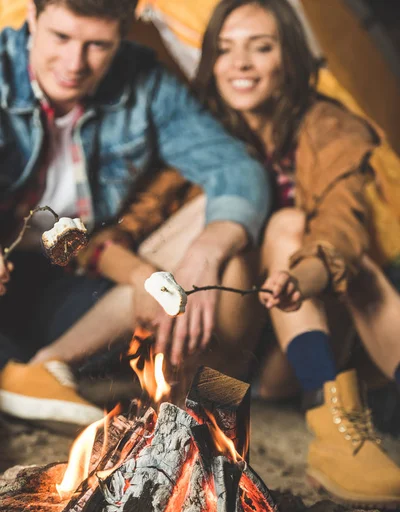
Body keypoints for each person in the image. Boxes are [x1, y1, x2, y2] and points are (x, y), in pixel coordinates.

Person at [0, 0, 271, 430]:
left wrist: (206, 250)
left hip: (83, 284)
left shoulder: (145, 81)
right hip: (11, 281)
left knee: (231, 243)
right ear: (31, 18)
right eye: (61, 37)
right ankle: (198, 411)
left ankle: (201, 420)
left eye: (97, 45)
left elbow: (236, 169)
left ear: (123, 33)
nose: (74, 63)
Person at [193, 0, 400, 507]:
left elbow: (341, 226)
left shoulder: (330, 128)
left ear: (291, 58)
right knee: (234, 238)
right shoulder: (201, 132)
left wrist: (299, 277)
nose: (240, 64)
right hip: (229, 359)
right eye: (225, 49)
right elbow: (153, 209)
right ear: (210, 61)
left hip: (297, 350)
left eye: (260, 47)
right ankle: (209, 412)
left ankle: (332, 427)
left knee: (325, 246)